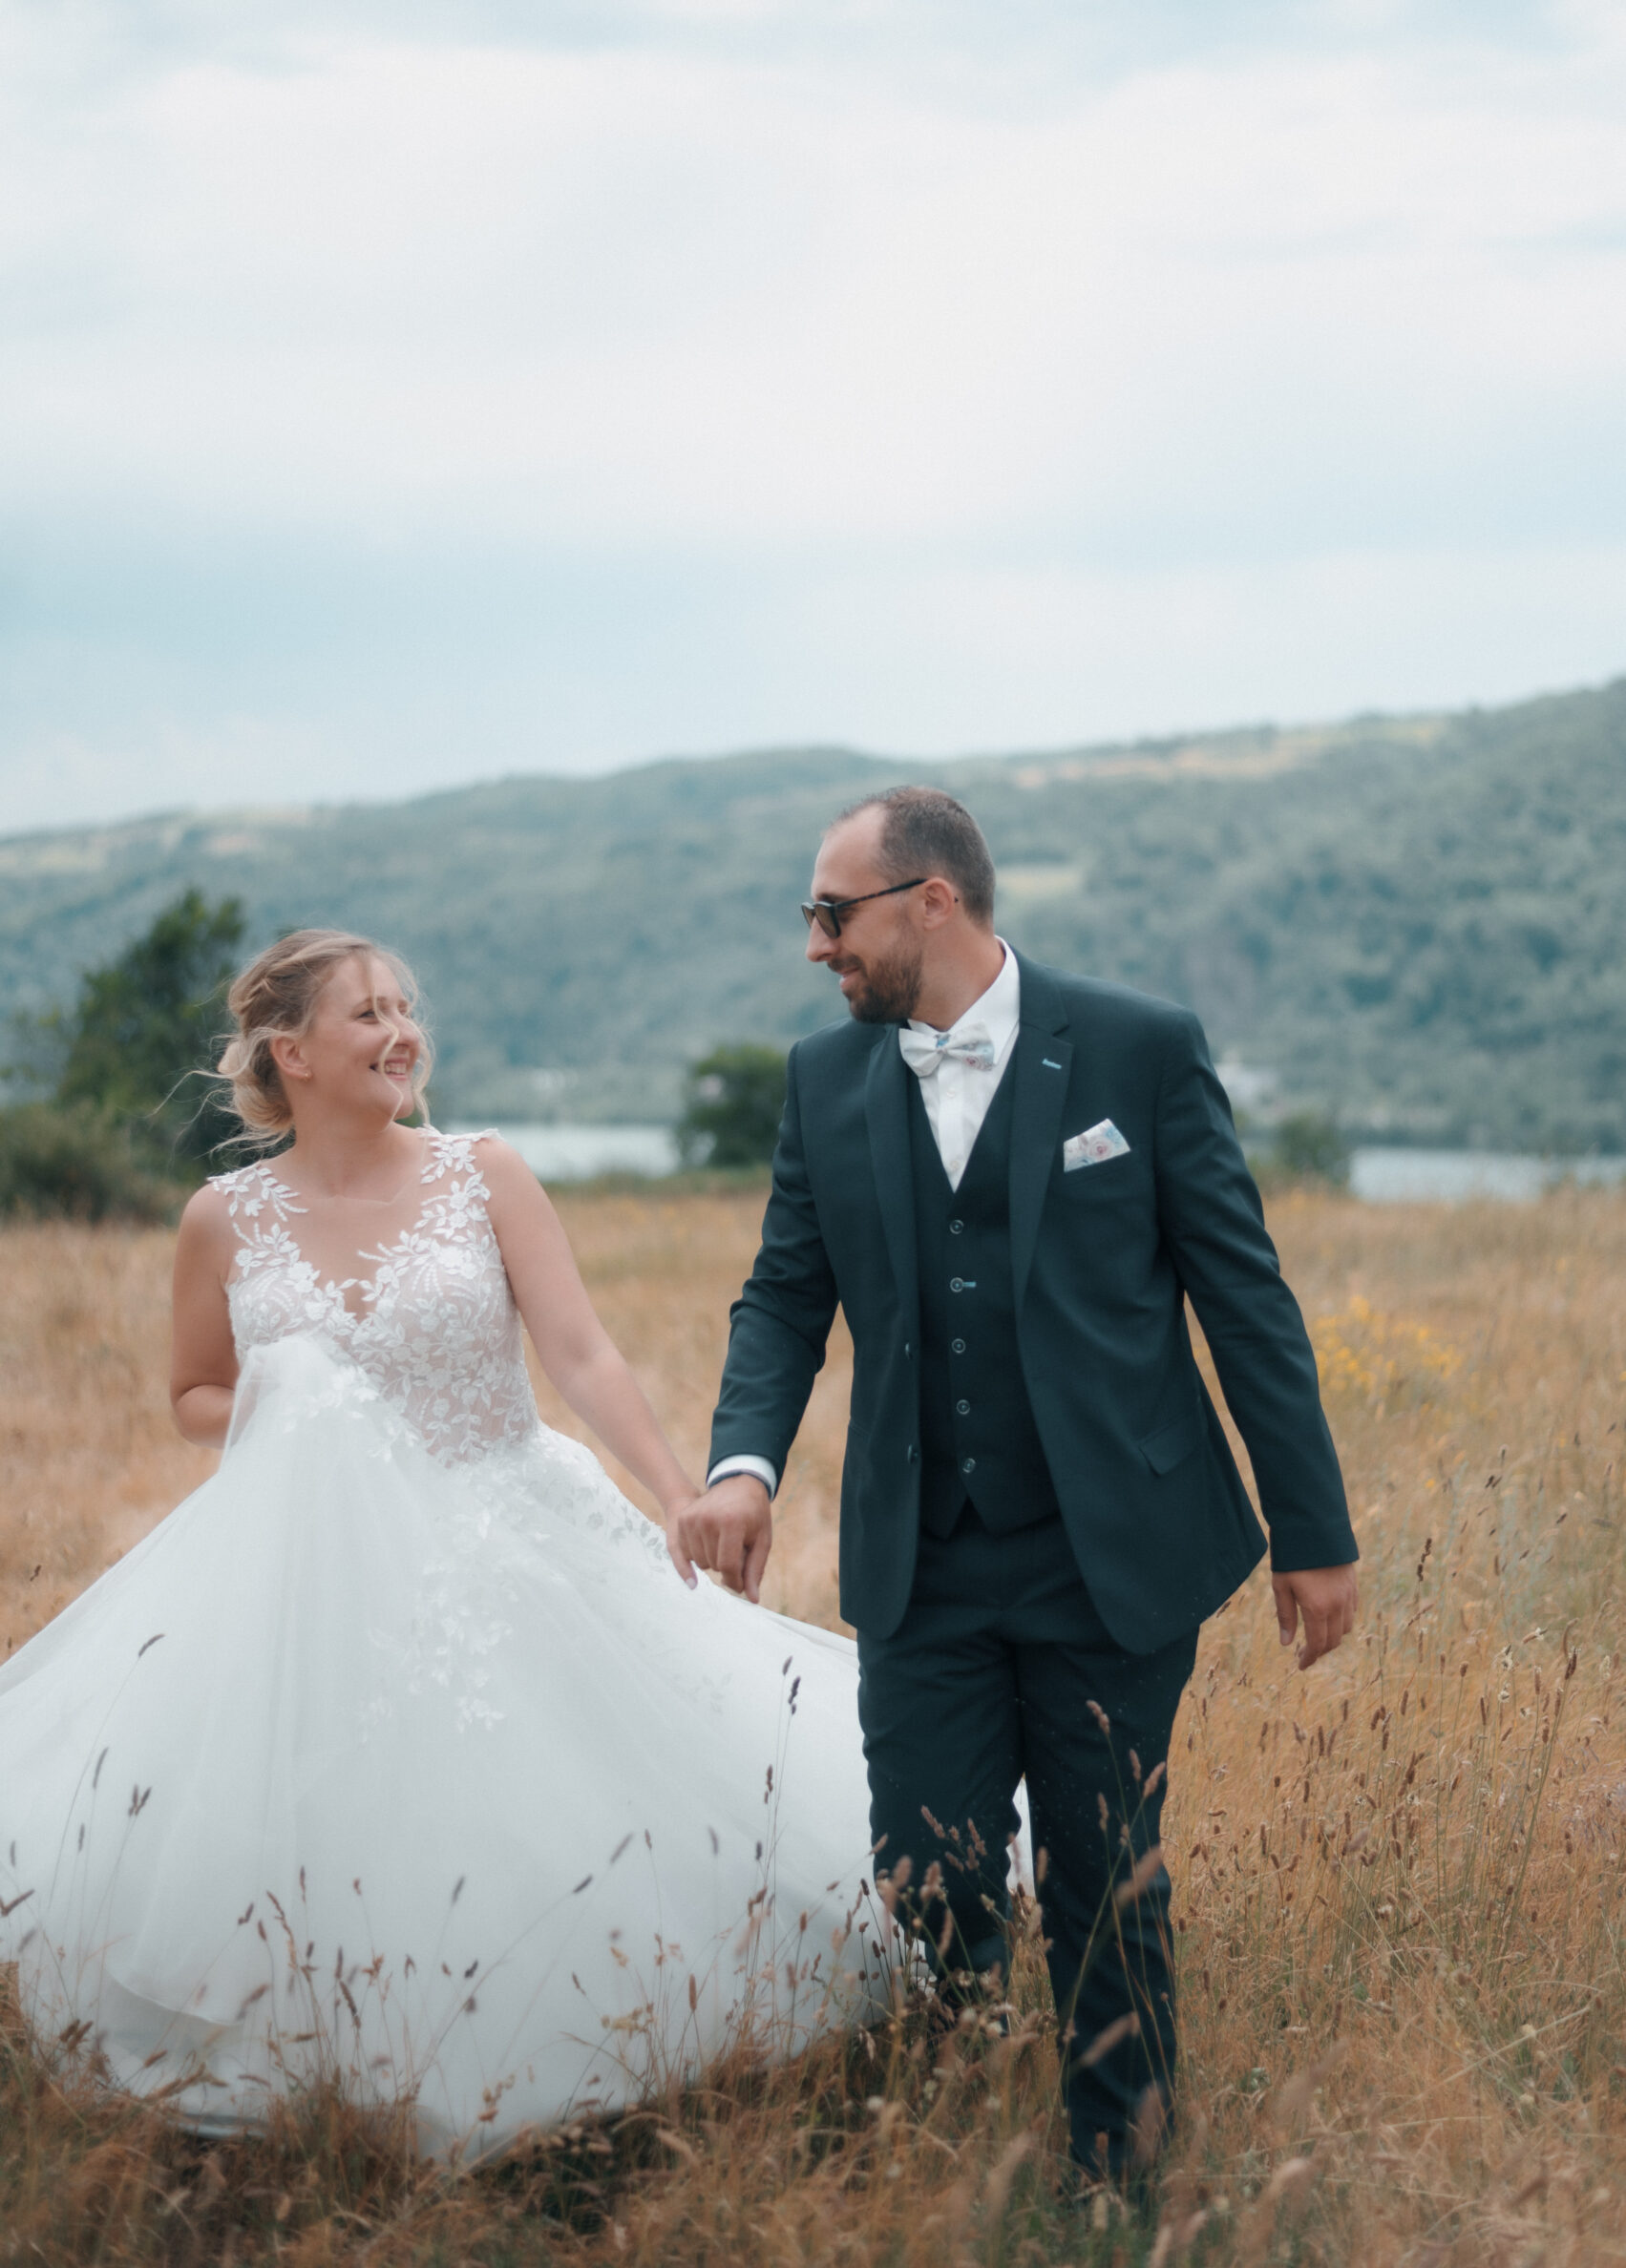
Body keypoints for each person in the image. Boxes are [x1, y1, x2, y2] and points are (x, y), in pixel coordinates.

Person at [0, 930, 889, 2157]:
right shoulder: (224, 1217)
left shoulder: (485, 1173)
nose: (400, 1030)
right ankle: (326, 2065)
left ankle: (587, 2046)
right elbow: (193, 1396)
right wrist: (292, 1397)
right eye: (367, 1013)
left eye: (405, 1007)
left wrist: (682, 1488)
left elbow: (579, 1354)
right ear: (290, 1052)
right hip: (313, 1571)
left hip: (510, 1527)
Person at [678, 788, 1359, 2186]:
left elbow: (1244, 1300)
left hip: (1111, 1546)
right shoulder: (823, 1080)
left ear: (931, 901)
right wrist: (741, 1462)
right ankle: (950, 2134)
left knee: (1105, 1875)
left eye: (830, 913)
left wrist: (1313, 1532)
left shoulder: (1136, 1049)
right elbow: (781, 1298)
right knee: (924, 1869)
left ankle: (1119, 2171)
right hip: (919, 1558)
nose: (814, 945)